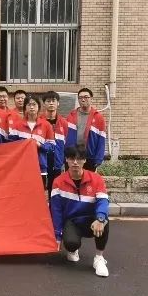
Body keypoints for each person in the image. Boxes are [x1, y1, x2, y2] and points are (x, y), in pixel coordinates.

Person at [50, 145, 110, 277]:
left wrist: (100, 218)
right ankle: (73, 250)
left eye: (79, 159)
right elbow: (56, 210)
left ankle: (99, 258)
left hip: (91, 220)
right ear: (66, 159)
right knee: (71, 243)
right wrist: (58, 236)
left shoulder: (96, 179)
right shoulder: (58, 182)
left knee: (104, 221)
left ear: (85, 160)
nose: (75, 162)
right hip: (72, 222)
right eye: (72, 158)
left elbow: (103, 201)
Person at [9, 95, 55, 187]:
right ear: (25, 107)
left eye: (34, 104)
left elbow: (52, 147)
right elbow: (11, 146)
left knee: (39, 193)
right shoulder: (17, 125)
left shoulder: (46, 125)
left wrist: (40, 145)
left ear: (39, 107)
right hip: (21, 166)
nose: (32, 107)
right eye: (29, 105)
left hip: (40, 167)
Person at [66, 88, 107, 171]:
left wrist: (99, 158)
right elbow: (65, 136)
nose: (83, 100)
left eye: (86, 97)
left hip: (89, 157)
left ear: (91, 99)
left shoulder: (98, 117)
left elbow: (101, 140)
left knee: (88, 179)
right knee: (71, 178)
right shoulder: (71, 115)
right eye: (80, 98)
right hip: (72, 155)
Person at [41, 91, 69, 197]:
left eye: (53, 101)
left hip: (57, 162)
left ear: (58, 103)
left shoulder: (64, 123)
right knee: (40, 188)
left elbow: (66, 144)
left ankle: (53, 207)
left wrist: (63, 160)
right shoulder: (39, 121)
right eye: (48, 101)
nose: (51, 103)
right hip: (42, 161)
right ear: (44, 104)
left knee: (54, 189)